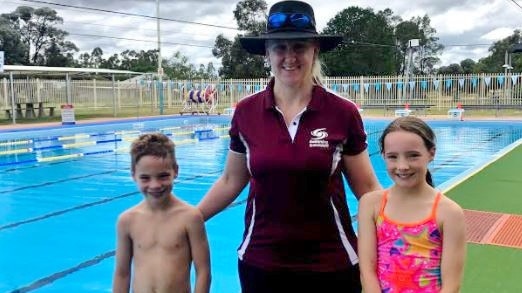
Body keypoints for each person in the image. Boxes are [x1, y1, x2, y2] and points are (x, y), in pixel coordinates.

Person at [197, 1, 381, 292]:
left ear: (314, 50)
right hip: (261, 262)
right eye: (280, 47)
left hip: (332, 263)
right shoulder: (246, 112)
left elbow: (367, 188)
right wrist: (189, 218)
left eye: (299, 47)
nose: (289, 57)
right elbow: (231, 180)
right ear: (267, 54)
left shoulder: (342, 113)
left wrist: (409, 220)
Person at [358, 116, 466, 293]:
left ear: (431, 153)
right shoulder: (371, 205)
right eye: (393, 157)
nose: (402, 166)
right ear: (383, 155)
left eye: (413, 156)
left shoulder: (448, 212)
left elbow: (451, 285)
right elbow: (367, 271)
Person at [112, 133, 211, 293]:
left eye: (163, 176)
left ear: (175, 171)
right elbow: (122, 274)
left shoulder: (190, 218)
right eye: (145, 178)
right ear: (133, 175)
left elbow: (203, 272)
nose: (155, 185)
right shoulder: (127, 221)